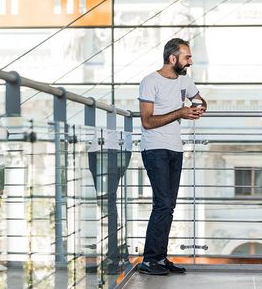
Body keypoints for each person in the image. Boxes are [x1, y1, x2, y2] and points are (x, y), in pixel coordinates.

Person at [138, 38, 207, 275]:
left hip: (175, 149)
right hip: (154, 148)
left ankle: (159, 257)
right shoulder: (150, 81)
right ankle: (149, 260)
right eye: (187, 57)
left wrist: (197, 106)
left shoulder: (184, 80)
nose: (190, 61)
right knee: (163, 204)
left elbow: (201, 100)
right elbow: (147, 122)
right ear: (173, 58)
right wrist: (180, 111)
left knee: (169, 206)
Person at [88, 128, 132, 274]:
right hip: (112, 144)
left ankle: (114, 260)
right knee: (107, 204)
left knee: (107, 204)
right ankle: (119, 257)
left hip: (108, 145)